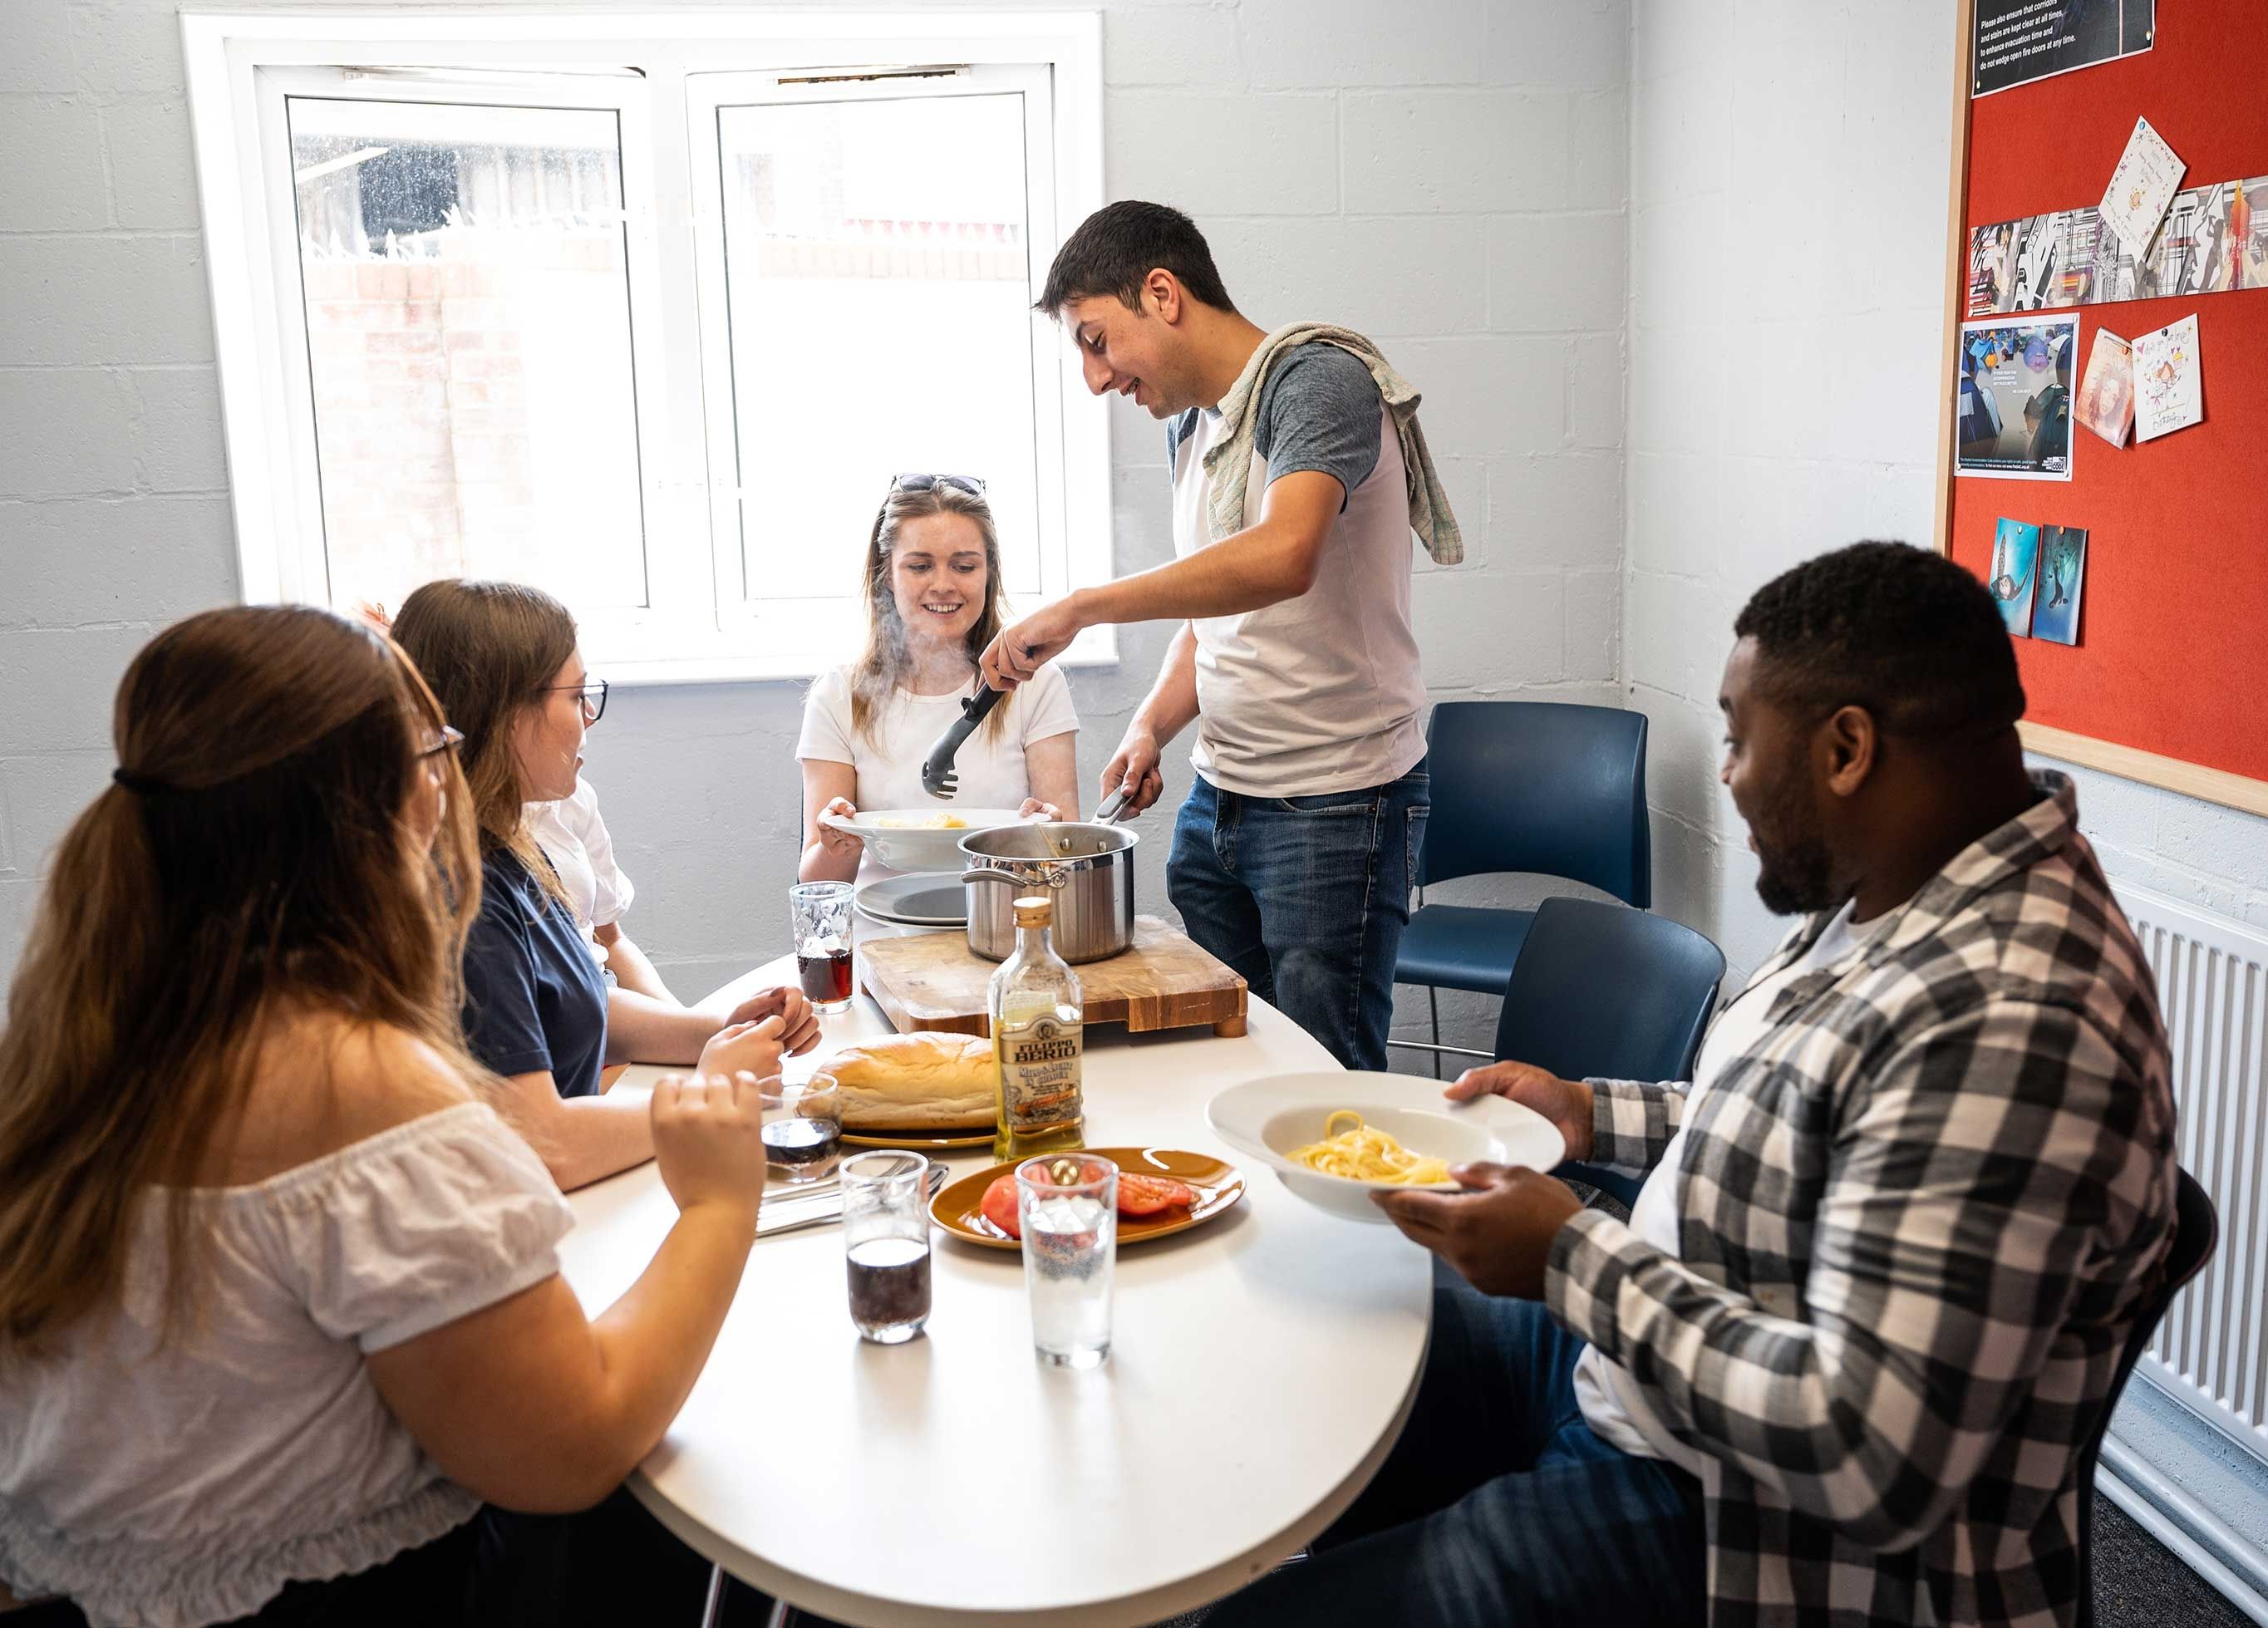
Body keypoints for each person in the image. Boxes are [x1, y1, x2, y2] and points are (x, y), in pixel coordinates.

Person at [1208, 542, 2179, 1627]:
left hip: (1746, 1521)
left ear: (1846, 747)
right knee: (1333, 1330)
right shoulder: (1910, 886)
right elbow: (1811, 1112)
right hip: (1659, 1363)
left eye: (1735, 738)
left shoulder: (2011, 1019)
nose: (1724, 773)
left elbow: (1872, 1456)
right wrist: (1586, 1111)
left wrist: (1571, 1252)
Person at [0, 605, 774, 1626]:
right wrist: (717, 1206)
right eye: (437, 746)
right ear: (403, 799)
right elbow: (571, 1449)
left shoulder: (73, 1037)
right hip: (328, 1604)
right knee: (701, 1479)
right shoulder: (370, 1094)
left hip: (100, 1595)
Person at [981, 201, 1462, 1070]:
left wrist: (1083, 606)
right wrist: (1149, 727)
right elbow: (1219, 619)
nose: (1094, 379)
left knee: (1324, 1081)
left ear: (1161, 294)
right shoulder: (1193, 429)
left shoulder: (1316, 383)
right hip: (1219, 801)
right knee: (1229, 1059)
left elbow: (1284, 558)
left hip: (1334, 804)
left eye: (1096, 340)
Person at [391, 580, 818, 1190]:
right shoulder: (465, 902)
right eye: (576, 695)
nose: (588, 716)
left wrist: (718, 1031)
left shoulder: (508, 845)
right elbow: (545, 1145)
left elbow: (573, 1001)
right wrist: (708, 1089)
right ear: (509, 715)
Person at [799, 475, 1081, 885]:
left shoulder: (1036, 684)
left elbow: (1065, 866)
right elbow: (818, 884)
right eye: (919, 566)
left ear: (989, 573)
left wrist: (1048, 839)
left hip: (1002, 924)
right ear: (886, 576)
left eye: (965, 566)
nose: (944, 585)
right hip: (880, 936)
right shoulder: (840, 695)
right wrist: (833, 844)